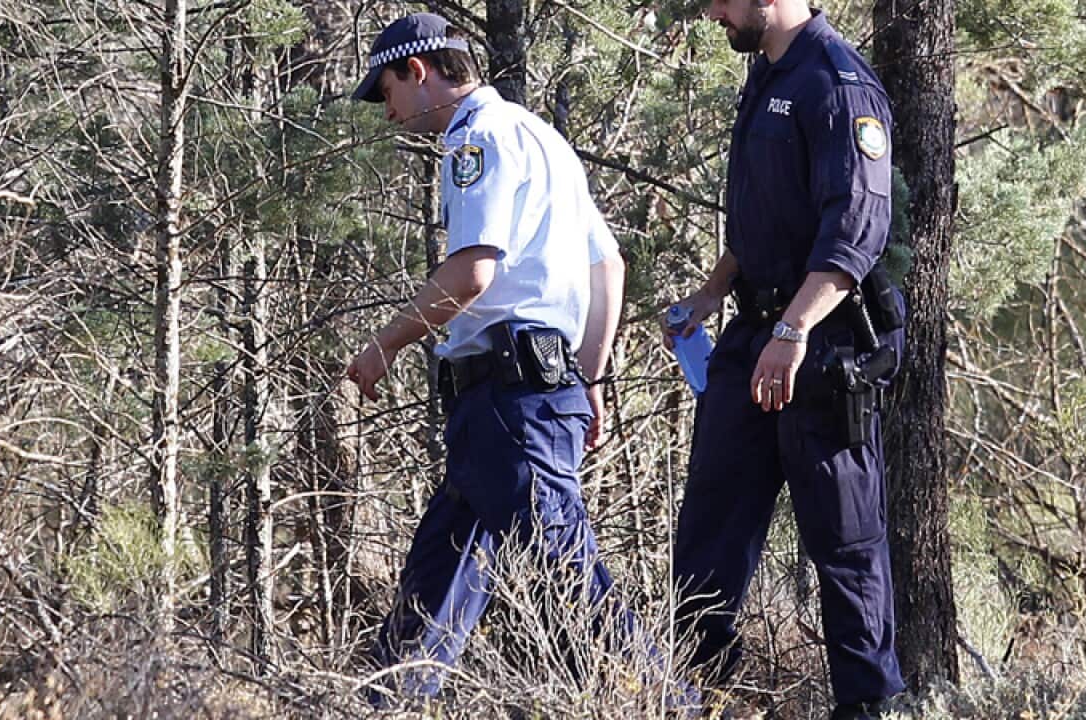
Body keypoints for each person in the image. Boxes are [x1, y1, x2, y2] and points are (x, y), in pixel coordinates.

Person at [346, 12, 637, 706]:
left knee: (569, 575)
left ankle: (663, 700)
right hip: (527, 401)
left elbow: (472, 272)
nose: (386, 111)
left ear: (418, 71)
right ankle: (388, 701)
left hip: (511, 403)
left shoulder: (473, 138)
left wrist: (384, 345)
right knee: (437, 581)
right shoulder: (545, 140)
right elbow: (610, 268)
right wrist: (588, 377)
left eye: (385, 90)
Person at [662, 1, 907, 718]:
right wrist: (709, 296)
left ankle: (870, 707)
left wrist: (795, 330)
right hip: (753, 337)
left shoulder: (839, 82)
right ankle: (701, 698)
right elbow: (764, 216)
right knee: (710, 529)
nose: (710, 11)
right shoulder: (767, 75)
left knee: (845, 544)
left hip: (822, 347)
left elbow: (855, 230)